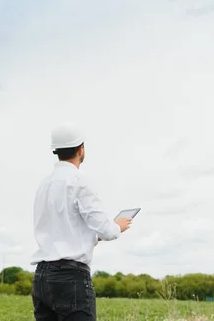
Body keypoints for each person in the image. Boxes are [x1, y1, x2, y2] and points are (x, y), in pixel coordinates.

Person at [30, 124, 133, 320]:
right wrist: (117, 226)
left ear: (56, 151)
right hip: (71, 277)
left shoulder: (43, 185)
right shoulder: (79, 180)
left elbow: (63, 229)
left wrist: (94, 237)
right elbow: (107, 230)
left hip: (42, 277)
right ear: (81, 149)